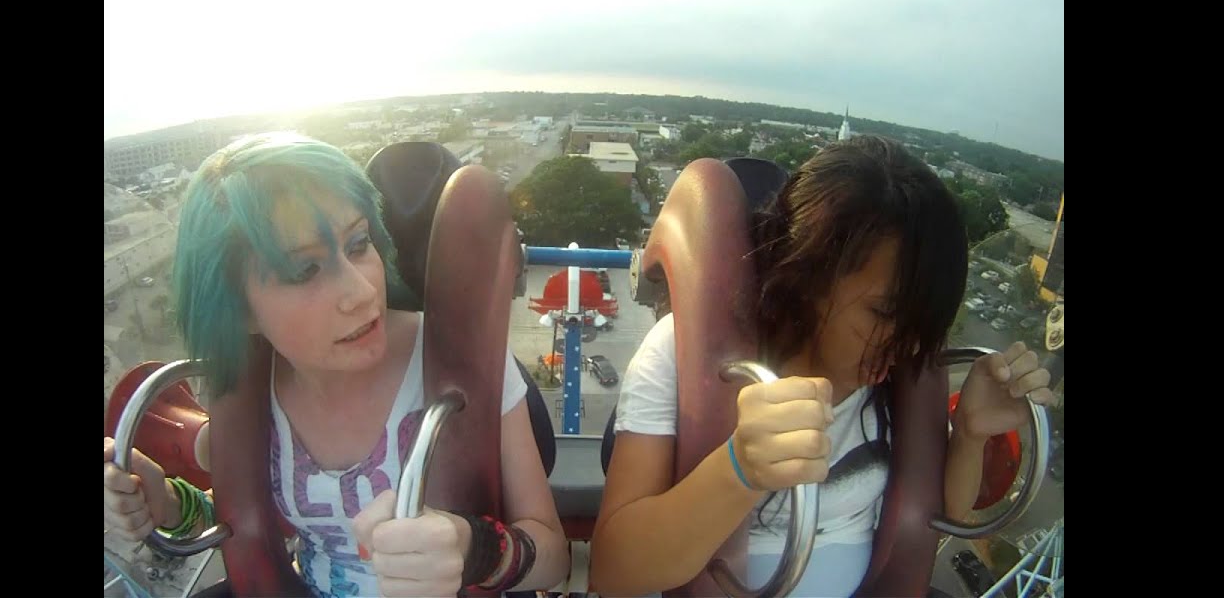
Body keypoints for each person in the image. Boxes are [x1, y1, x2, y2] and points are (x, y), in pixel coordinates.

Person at [103, 132, 569, 597]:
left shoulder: (463, 364)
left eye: (359, 244)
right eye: (304, 271)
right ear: (239, 309)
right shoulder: (249, 400)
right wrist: (163, 504)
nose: (364, 292)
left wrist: (478, 550)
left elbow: (554, 557)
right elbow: (245, 519)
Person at [590, 135, 1055, 597]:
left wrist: (971, 435)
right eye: (883, 314)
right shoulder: (683, 352)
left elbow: (943, 512)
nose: (905, 344)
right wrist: (738, 469)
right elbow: (615, 569)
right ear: (810, 275)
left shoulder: (896, 383)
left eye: (922, 323)